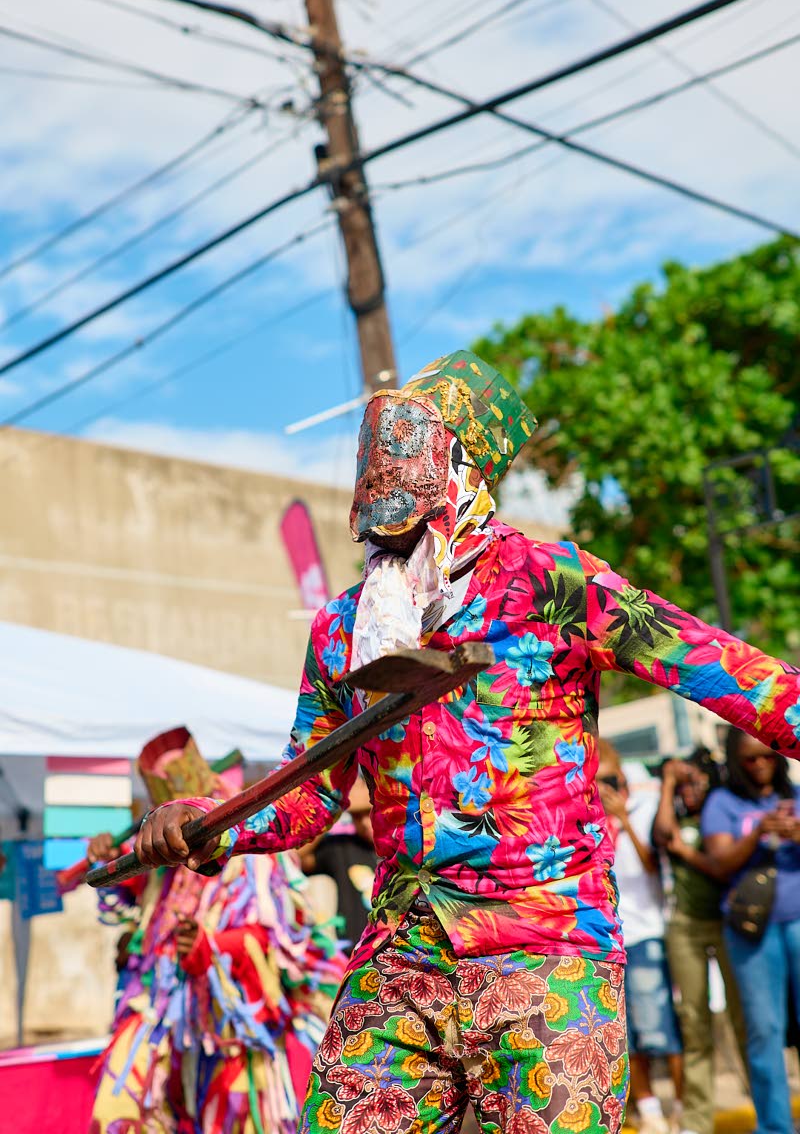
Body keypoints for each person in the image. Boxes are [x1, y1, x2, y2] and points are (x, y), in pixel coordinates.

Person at [134, 351, 800, 1134]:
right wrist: (208, 824)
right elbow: (309, 795)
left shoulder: (556, 584)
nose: (393, 536)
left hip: (551, 952)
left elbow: (729, 672)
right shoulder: (343, 627)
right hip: (403, 955)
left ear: (463, 473)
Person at [88, 727, 346, 1134]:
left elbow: (280, 946)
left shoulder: (252, 855)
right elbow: (129, 913)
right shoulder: (164, 871)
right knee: (118, 1114)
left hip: (234, 1028)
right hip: (158, 1014)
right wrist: (108, 863)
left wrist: (210, 947)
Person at [702, 725, 800, 1134]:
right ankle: (775, 1127)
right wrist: (759, 833)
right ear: (735, 762)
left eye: (767, 755)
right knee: (765, 1031)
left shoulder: (794, 796)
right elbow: (719, 862)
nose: (760, 764)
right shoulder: (722, 802)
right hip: (751, 933)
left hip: (797, 920)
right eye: (750, 758)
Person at [652, 748, 748, 1134]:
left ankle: (766, 1104)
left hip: (727, 924)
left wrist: (685, 853)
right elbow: (662, 836)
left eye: (695, 781)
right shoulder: (672, 814)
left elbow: (723, 868)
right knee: (694, 1023)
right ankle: (696, 1120)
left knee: (746, 1020)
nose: (690, 790)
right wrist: (668, 783)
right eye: (683, 783)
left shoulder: (721, 813)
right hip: (685, 926)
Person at [597, 740, 682, 1134]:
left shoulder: (643, 810)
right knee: (627, 1034)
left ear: (624, 778)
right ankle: (648, 1111)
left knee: (659, 1028)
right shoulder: (588, 821)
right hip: (609, 940)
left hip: (645, 935)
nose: (605, 789)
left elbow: (652, 868)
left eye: (610, 780)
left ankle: (679, 1108)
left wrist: (624, 821)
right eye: (596, 782)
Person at [299, 776, 378, 949]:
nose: (365, 823)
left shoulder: (404, 849)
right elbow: (295, 858)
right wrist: (337, 808)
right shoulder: (341, 847)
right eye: (357, 816)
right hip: (354, 955)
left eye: (369, 812)